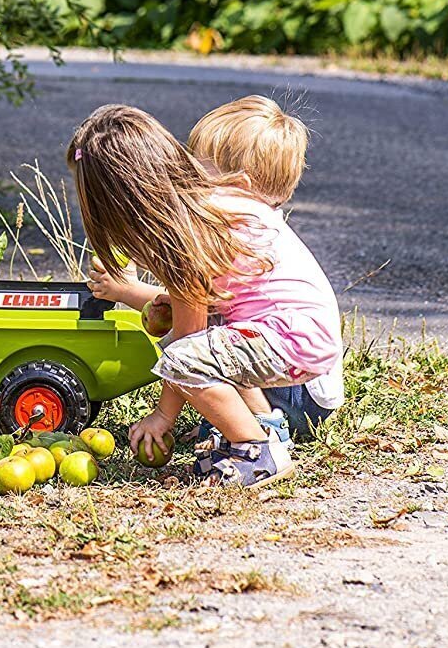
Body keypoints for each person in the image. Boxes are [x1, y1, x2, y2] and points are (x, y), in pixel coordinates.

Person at [69, 104, 341, 487]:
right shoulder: (203, 217)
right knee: (199, 343)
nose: (192, 173)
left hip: (296, 347)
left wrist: (163, 416)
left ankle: (255, 450)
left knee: (183, 355)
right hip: (300, 337)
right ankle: (262, 426)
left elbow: (187, 344)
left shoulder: (191, 232)